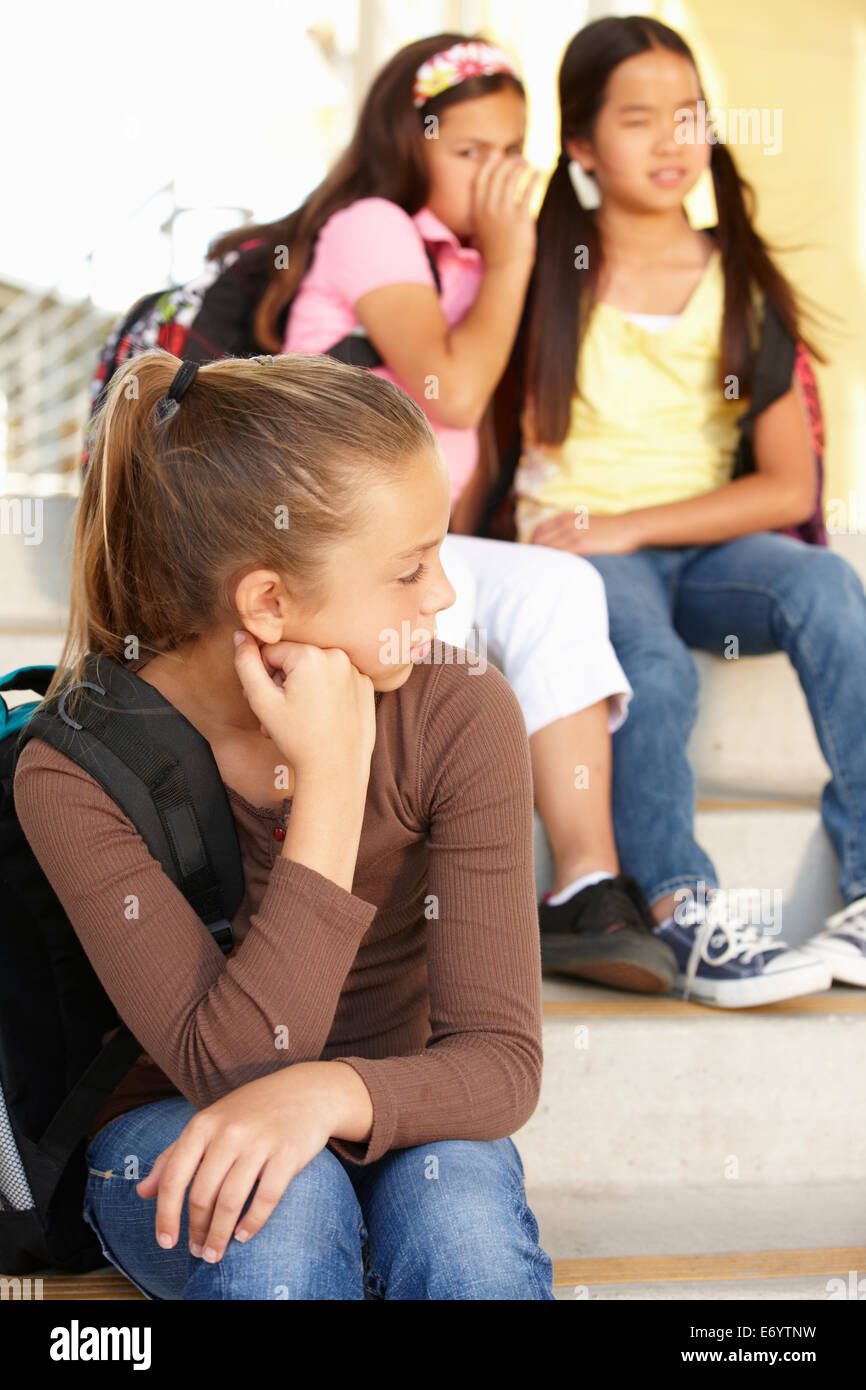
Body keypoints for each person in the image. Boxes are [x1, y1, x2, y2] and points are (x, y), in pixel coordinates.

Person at [14, 349, 555, 1300]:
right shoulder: (73, 770)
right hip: (175, 1118)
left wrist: (330, 1093)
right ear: (269, 603)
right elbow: (230, 1070)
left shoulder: (460, 710)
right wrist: (333, 783)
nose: (443, 597)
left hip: (402, 1109)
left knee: (465, 1231)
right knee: (287, 1209)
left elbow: (501, 1063)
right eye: (408, 570)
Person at [206, 32, 677, 993]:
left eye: (511, 152)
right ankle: (398, 914)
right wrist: (510, 260)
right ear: (410, 144)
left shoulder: (473, 257)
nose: (494, 175)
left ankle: (584, 886)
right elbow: (446, 393)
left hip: (421, 540)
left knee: (558, 588)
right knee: (441, 625)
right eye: (467, 151)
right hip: (325, 546)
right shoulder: (376, 225)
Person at [513, 14, 866, 1007]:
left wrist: (629, 522)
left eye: (689, 115)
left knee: (826, 586)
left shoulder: (738, 282)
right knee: (653, 670)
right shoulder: (543, 268)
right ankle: (679, 910)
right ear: (580, 143)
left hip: (687, 546)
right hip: (577, 552)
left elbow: (787, 489)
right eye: (637, 120)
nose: (673, 141)